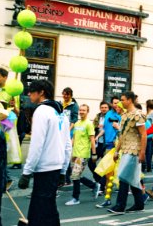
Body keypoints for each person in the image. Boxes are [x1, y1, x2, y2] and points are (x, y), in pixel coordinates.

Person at [18, 80, 72, 226]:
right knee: (49, 208)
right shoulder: (62, 113)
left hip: (44, 168)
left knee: (38, 212)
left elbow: (36, 145)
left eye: (31, 90)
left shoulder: (41, 111)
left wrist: (26, 172)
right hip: (56, 167)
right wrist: (63, 170)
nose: (29, 94)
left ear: (41, 92)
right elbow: (67, 145)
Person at [108, 91, 148, 214]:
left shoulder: (138, 114)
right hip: (125, 148)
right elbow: (122, 135)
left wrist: (142, 152)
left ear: (130, 100)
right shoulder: (125, 115)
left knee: (123, 176)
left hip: (134, 150)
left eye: (123, 100)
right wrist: (117, 150)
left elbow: (143, 134)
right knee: (132, 178)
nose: (121, 102)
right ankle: (139, 203)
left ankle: (120, 206)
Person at [65, 104, 98, 206]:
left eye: (84, 110)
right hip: (75, 153)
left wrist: (94, 154)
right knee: (74, 175)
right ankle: (93, 185)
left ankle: (76, 198)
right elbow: (74, 138)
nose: (81, 112)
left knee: (75, 176)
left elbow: (92, 140)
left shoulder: (89, 124)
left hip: (83, 154)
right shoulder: (77, 123)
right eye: (80, 110)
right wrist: (69, 150)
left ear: (87, 112)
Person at [96, 96, 122, 208]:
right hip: (109, 146)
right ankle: (108, 199)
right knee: (108, 174)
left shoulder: (122, 115)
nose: (116, 105)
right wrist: (98, 136)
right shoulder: (108, 114)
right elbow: (105, 129)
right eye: (114, 103)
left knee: (125, 175)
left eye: (118, 103)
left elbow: (125, 132)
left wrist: (118, 127)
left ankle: (141, 195)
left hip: (120, 147)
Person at [61, 87, 79, 185]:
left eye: (67, 94)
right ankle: (66, 177)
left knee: (66, 154)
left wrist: (68, 131)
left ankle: (66, 178)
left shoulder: (74, 106)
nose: (65, 96)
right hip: (61, 131)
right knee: (63, 154)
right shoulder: (61, 104)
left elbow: (74, 119)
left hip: (69, 131)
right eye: (64, 94)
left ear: (71, 95)